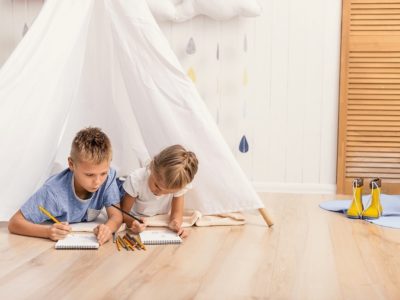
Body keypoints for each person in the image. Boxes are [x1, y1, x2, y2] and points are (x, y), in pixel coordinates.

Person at [8, 127, 122, 245]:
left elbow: (116, 216)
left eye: (103, 173)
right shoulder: (53, 192)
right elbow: (14, 223)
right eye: (89, 175)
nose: (98, 182)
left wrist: (107, 229)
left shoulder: (108, 177)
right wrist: (47, 232)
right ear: (71, 164)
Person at [120, 144, 198, 238]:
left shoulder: (177, 185)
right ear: (152, 167)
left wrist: (176, 224)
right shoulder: (136, 180)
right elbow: (123, 212)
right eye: (157, 185)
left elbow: (177, 213)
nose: (159, 193)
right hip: (123, 189)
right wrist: (132, 222)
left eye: (168, 192)